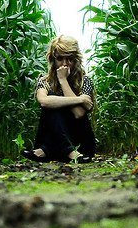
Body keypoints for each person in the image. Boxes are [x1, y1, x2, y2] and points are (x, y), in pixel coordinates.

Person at [22, 35, 96, 163]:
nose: (65, 64)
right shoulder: (45, 81)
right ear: (53, 59)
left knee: (57, 104)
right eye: (60, 59)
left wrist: (63, 80)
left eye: (70, 59)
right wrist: (80, 100)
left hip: (80, 146)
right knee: (52, 105)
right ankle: (68, 151)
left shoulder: (85, 81)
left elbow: (79, 113)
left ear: (76, 60)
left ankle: (50, 150)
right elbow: (44, 102)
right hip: (56, 145)